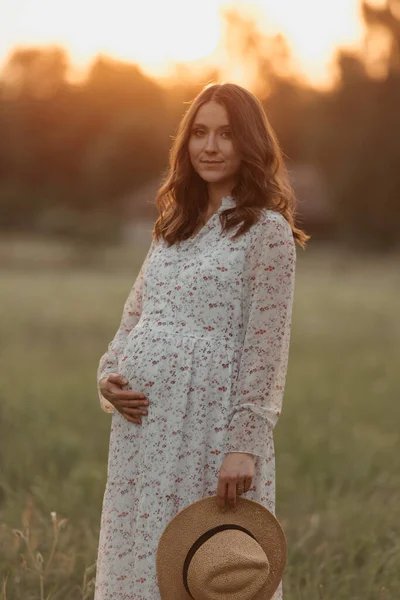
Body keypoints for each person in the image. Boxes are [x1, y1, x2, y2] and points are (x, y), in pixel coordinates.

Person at [94, 82, 309, 600]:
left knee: (206, 568)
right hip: (144, 431)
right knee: (141, 559)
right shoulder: (173, 225)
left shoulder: (267, 232)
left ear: (250, 144)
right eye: (200, 132)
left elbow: (266, 346)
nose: (210, 147)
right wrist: (107, 375)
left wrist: (243, 445)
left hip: (207, 424)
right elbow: (135, 316)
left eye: (227, 134)